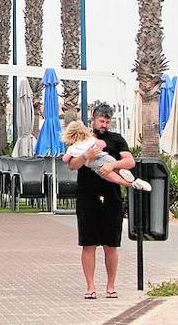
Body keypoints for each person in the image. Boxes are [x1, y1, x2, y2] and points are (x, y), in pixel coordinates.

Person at [67, 104, 135, 300]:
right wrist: (85, 156)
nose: (104, 124)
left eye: (107, 121)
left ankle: (111, 285)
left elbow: (130, 162)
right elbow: (71, 164)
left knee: (111, 244)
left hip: (112, 197)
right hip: (87, 197)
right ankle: (90, 286)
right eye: (101, 121)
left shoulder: (116, 139)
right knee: (88, 243)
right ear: (93, 119)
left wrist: (113, 164)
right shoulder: (82, 139)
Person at [62, 120, 151, 191]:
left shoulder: (72, 149)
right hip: (105, 157)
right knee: (117, 170)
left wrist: (84, 155)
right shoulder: (91, 139)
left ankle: (131, 184)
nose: (104, 125)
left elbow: (65, 160)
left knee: (114, 178)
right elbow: (103, 144)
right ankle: (131, 179)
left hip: (96, 164)